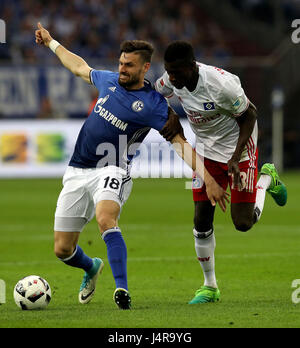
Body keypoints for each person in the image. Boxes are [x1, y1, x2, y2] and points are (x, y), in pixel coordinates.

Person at [34, 24, 229, 309]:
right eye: (121, 63)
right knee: (62, 250)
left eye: (129, 65)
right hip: (77, 170)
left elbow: (180, 144)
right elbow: (78, 66)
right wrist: (51, 42)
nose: (122, 68)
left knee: (105, 219)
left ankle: (121, 289)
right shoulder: (109, 81)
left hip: (113, 167)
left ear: (145, 67)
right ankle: (91, 267)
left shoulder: (153, 104)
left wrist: (208, 179)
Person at [155, 41, 288, 304]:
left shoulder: (221, 86)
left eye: (176, 72)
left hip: (239, 147)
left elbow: (250, 115)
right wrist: (168, 114)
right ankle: (209, 286)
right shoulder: (170, 80)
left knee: (243, 223)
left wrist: (236, 156)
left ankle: (266, 179)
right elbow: (153, 93)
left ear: (192, 67)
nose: (171, 77)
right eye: (168, 71)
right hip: (205, 150)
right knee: (201, 219)